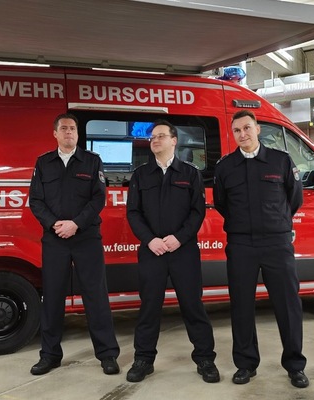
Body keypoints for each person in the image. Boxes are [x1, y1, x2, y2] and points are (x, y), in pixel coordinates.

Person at [213, 110, 309, 389]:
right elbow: (222, 203)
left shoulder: (280, 161)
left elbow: (294, 198)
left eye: (247, 128)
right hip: (241, 244)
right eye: (237, 131)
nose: (242, 134)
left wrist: (276, 222)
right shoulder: (225, 167)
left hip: (277, 243)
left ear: (257, 129)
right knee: (241, 305)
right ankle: (245, 364)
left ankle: (295, 366)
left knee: (288, 305)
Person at [125, 120, 219, 383]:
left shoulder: (190, 174)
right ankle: (143, 359)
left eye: (160, 136)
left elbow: (197, 212)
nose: (155, 140)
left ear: (174, 141)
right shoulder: (141, 175)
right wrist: (150, 240)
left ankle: (205, 360)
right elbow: (133, 213)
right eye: (152, 137)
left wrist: (178, 238)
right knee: (149, 308)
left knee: (192, 306)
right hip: (151, 251)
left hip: (183, 252)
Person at [28, 113, 121, 375]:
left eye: (73, 129)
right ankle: (49, 355)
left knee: (96, 297)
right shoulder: (43, 163)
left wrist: (76, 224)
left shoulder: (92, 161)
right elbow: (35, 200)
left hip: (86, 238)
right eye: (64, 129)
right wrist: (55, 224)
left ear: (77, 134)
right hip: (55, 239)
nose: (69, 132)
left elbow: (98, 198)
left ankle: (107, 354)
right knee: (53, 298)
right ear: (55, 134)